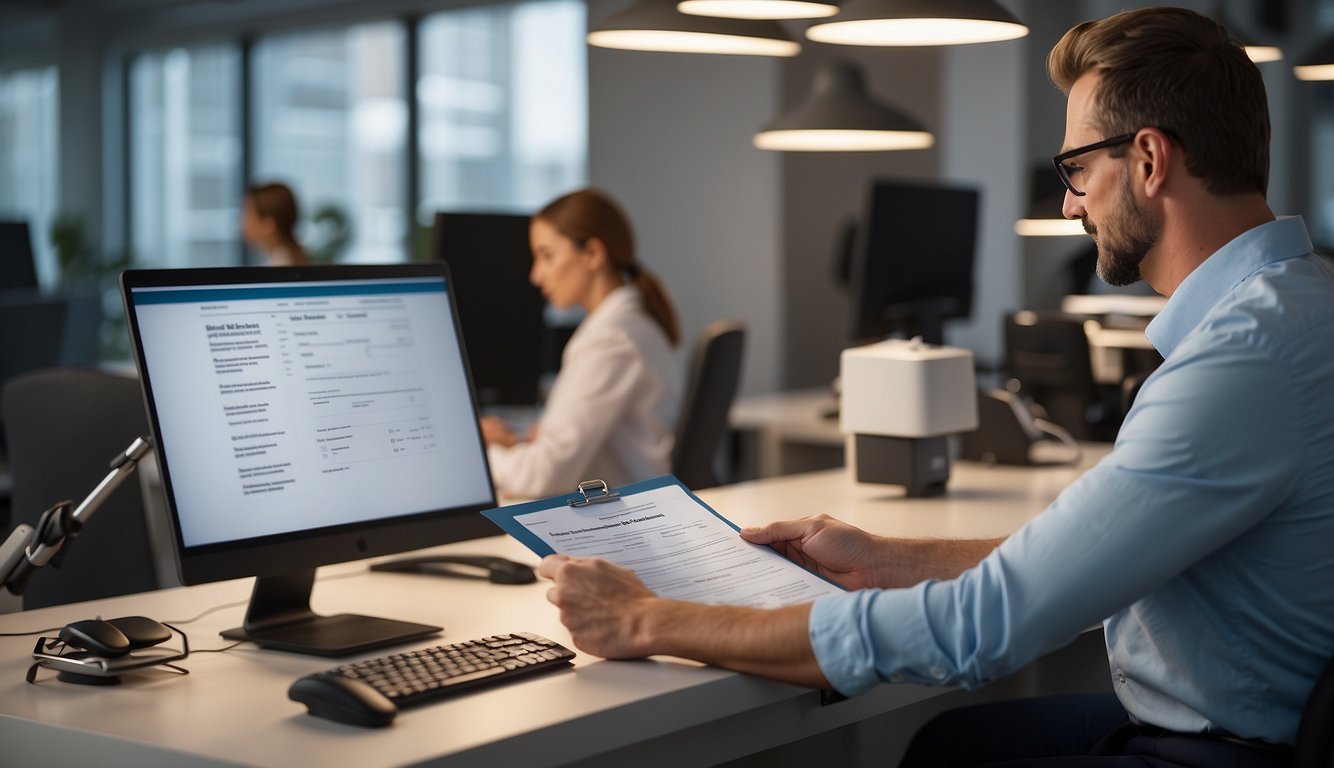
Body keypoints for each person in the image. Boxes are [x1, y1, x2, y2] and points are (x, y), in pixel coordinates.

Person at [536, 8, 1334, 767]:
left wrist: (650, 617)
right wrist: (889, 559)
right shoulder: (1298, 308)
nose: (1067, 202)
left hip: (1226, 751)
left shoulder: (1242, 360)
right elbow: (1098, 559)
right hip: (1257, 725)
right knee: (946, 748)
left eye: (1078, 168)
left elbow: (986, 626)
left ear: (1151, 160)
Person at [482, 187, 681, 498]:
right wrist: (533, 441)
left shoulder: (611, 340)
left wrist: (482, 452)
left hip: (621, 520)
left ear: (592, 254)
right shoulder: (627, 324)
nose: (536, 275)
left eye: (547, 256)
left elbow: (542, 476)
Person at [241, 182, 309, 266]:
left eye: (249, 213)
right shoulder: (289, 259)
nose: (242, 221)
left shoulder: (279, 266)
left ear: (269, 224)